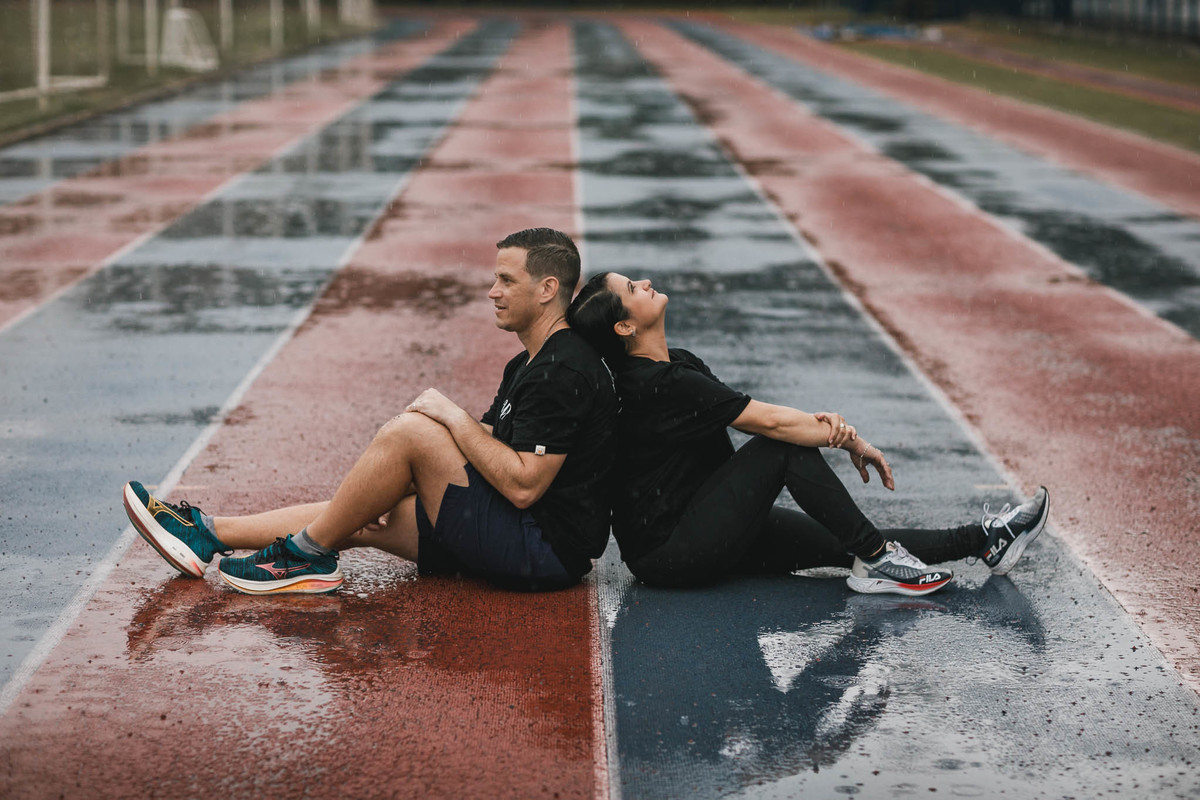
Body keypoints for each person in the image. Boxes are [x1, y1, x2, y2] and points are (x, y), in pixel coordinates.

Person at [122, 228, 617, 594]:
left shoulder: (565, 368)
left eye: (506, 281)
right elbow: (489, 438)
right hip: (514, 530)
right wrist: (398, 483)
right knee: (355, 513)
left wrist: (446, 414)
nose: (493, 291)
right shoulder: (529, 361)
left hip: (541, 550)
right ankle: (207, 534)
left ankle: (306, 557)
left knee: (412, 433)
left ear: (548, 289)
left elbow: (524, 484)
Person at [565, 271, 1049, 596]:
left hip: (703, 524)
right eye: (632, 287)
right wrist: (847, 438)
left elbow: (754, 413)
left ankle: (984, 540)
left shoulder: (677, 367)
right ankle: (880, 561)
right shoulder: (659, 384)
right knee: (782, 449)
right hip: (671, 552)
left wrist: (820, 427)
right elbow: (771, 425)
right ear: (626, 325)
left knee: (845, 541)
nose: (645, 281)